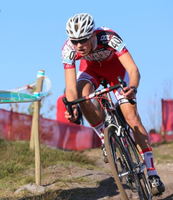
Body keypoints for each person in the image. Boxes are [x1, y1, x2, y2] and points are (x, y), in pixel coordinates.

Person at [61, 13, 165, 195]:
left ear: (93, 35)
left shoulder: (108, 38)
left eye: (83, 40)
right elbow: (70, 88)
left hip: (115, 70)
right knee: (80, 96)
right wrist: (72, 107)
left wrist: (133, 88)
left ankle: (152, 172)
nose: (79, 45)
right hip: (91, 71)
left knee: (132, 118)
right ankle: (104, 136)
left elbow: (133, 69)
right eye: (75, 41)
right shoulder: (68, 49)